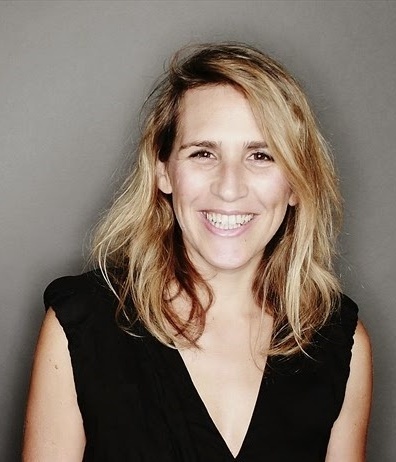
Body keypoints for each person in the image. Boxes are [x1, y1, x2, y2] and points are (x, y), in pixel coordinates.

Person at [23, 42, 372, 461]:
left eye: (261, 155)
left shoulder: (339, 341)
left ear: (296, 182)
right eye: (204, 153)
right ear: (163, 172)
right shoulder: (80, 323)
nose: (229, 187)